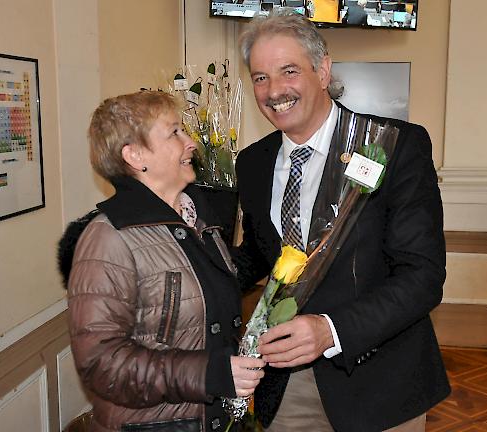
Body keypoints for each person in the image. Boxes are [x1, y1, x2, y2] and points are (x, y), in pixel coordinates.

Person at [233, 9, 450, 432]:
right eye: (260, 77)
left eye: (288, 71)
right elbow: (264, 255)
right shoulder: (253, 163)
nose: (274, 90)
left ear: (322, 69)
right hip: (284, 385)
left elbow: (422, 275)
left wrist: (330, 331)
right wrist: (186, 270)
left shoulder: (392, 146)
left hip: (380, 383)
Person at [61, 91, 265, 432]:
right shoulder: (109, 238)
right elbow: (101, 364)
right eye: (174, 133)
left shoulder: (198, 220)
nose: (191, 144)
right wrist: (210, 373)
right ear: (135, 155)